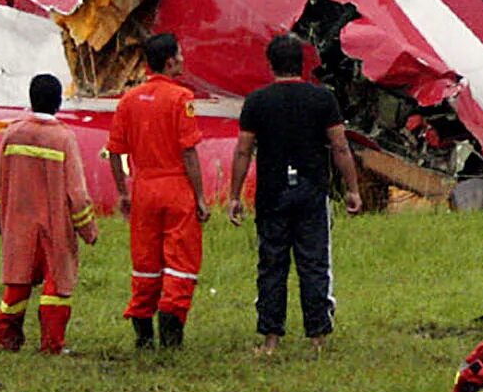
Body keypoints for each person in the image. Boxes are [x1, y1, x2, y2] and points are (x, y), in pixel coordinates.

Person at [226, 34, 363, 354]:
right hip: (312, 191)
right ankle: (317, 337)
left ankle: (271, 339)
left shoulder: (257, 101)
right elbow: (340, 146)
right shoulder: (322, 99)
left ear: (270, 64)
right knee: (314, 263)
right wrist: (353, 189)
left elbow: (243, 151)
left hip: (272, 194)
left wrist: (234, 195)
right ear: (302, 63)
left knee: (271, 264)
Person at [104, 33, 207, 350]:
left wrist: (123, 190)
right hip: (176, 187)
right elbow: (189, 152)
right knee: (180, 259)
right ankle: (171, 328)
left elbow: (117, 153)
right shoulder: (181, 99)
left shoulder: (129, 100)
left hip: (143, 188)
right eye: (180, 54)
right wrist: (200, 196)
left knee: (145, 261)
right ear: (170, 61)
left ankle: (143, 333)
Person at [0, 73, 99, 354]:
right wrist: (88, 230)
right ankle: (52, 343)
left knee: (17, 280)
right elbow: (76, 192)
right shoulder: (63, 138)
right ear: (59, 102)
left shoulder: (12, 134)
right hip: (54, 225)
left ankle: (7, 339)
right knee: (56, 284)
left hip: (18, 223)